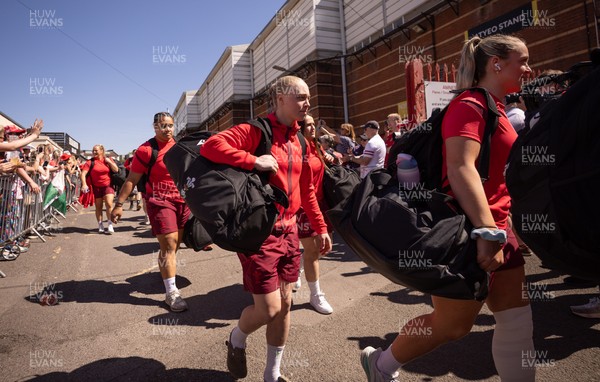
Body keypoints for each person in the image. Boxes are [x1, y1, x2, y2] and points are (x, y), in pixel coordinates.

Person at [359, 34, 536, 382]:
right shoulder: (470, 105)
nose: (528, 69)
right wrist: (487, 231)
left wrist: (505, 222)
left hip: (499, 229)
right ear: (496, 63)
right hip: (468, 233)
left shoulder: (496, 106)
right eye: (522, 60)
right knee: (452, 326)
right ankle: (380, 365)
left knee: (517, 323)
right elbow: (460, 167)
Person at [200, 76, 332, 382]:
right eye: (300, 97)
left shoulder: (300, 140)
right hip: (258, 232)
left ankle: (272, 374)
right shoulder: (256, 130)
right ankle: (236, 337)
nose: (307, 103)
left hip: (290, 233)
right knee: (269, 308)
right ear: (280, 98)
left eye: (308, 97)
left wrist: (320, 226)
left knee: (286, 304)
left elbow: (307, 190)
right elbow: (211, 146)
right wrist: (252, 160)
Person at [111, 112, 191, 312]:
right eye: (163, 125)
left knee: (175, 246)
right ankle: (171, 293)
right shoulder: (146, 150)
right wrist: (119, 204)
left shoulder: (180, 147)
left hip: (182, 201)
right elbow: (131, 180)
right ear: (155, 127)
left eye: (170, 125)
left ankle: (166, 273)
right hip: (159, 201)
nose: (168, 129)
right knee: (170, 244)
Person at [296, 114, 336, 315]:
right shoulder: (297, 149)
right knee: (313, 250)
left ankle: (297, 270)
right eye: (308, 125)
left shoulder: (315, 145)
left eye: (314, 125)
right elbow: (304, 189)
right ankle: (315, 295)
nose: (313, 128)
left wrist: (330, 157)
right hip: (303, 208)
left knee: (315, 250)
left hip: (319, 204)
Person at [80, 145, 119, 234]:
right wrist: (84, 184)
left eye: (96, 150)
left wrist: (109, 162)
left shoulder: (108, 160)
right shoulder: (90, 162)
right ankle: (100, 224)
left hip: (108, 185)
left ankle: (109, 224)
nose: (94, 152)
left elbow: (116, 170)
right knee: (99, 207)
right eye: (93, 150)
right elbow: (83, 174)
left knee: (109, 204)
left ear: (101, 151)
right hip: (96, 187)